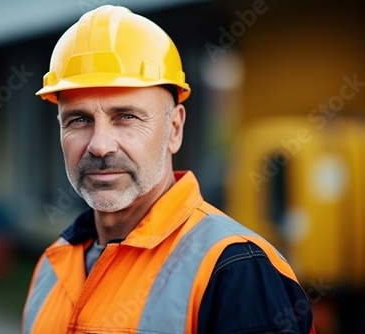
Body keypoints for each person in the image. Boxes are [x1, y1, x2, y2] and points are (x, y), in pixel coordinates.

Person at [22, 5, 315, 334]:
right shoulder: (52, 265)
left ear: (174, 128)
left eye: (126, 117)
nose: (100, 145)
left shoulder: (236, 269)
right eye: (79, 120)